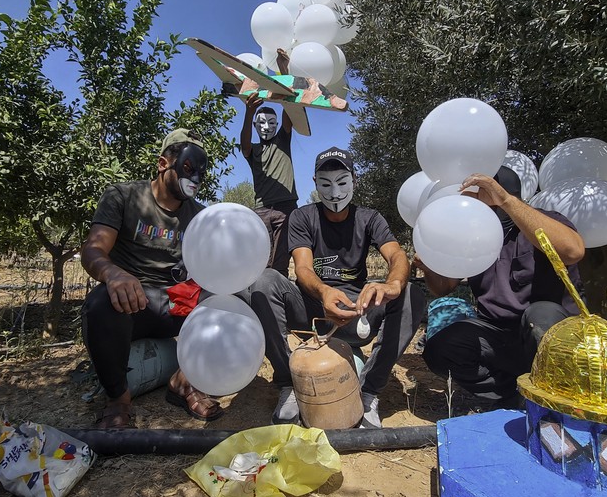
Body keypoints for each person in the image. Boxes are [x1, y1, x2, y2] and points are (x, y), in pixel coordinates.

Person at [242, 147, 426, 428]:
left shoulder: (370, 218)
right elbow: (302, 269)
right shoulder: (303, 217)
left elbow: (397, 255)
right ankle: (289, 383)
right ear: (315, 184)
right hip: (312, 310)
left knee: (412, 292)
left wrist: (393, 284)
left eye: (342, 182)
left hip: (358, 311)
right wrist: (325, 292)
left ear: (354, 179)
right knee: (264, 281)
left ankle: (367, 393)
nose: (335, 192)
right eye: (326, 184)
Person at [80, 128, 224, 428]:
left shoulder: (200, 215)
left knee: (225, 298)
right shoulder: (123, 196)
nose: (195, 177)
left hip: (175, 305)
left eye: (201, 170)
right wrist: (113, 274)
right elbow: (93, 252)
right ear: (163, 164)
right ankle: (118, 398)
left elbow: (212, 269)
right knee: (100, 302)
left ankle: (186, 381)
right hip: (132, 305)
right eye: (188, 167)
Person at [414, 166, 586, 407]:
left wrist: (505, 201)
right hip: (499, 335)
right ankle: (513, 400)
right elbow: (443, 289)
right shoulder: (471, 236)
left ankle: (559, 403)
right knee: (442, 347)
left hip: (552, 335)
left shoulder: (543, 221)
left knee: (540, 314)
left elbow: (573, 250)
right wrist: (430, 266)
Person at [239, 51, 298, 277]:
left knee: (281, 262)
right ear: (255, 126)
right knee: (262, 261)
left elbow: (291, 107)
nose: (266, 127)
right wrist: (248, 111)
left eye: (271, 122)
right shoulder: (252, 149)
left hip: (286, 207)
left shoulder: (283, 138)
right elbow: (243, 142)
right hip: (262, 209)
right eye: (261, 123)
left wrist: (285, 71)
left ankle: (280, 299)